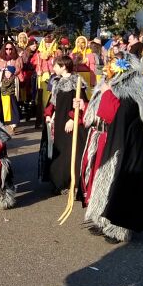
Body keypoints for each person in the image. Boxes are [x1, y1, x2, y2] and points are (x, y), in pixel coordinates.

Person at [79, 53, 143, 244]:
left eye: (113, 64)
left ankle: (118, 228)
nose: (109, 68)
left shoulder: (131, 90)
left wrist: (107, 94)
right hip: (110, 140)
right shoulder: (109, 85)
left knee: (121, 185)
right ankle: (102, 219)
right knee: (104, 181)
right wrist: (84, 106)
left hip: (126, 146)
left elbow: (114, 115)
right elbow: (98, 115)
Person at [40, 54, 89, 194]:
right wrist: (48, 114)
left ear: (64, 67)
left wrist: (73, 119)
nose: (53, 68)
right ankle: (61, 182)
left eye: (56, 65)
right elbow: (53, 102)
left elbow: (81, 103)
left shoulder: (76, 82)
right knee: (60, 151)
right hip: (59, 122)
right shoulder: (56, 81)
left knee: (72, 152)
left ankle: (74, 182)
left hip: (71, 123)